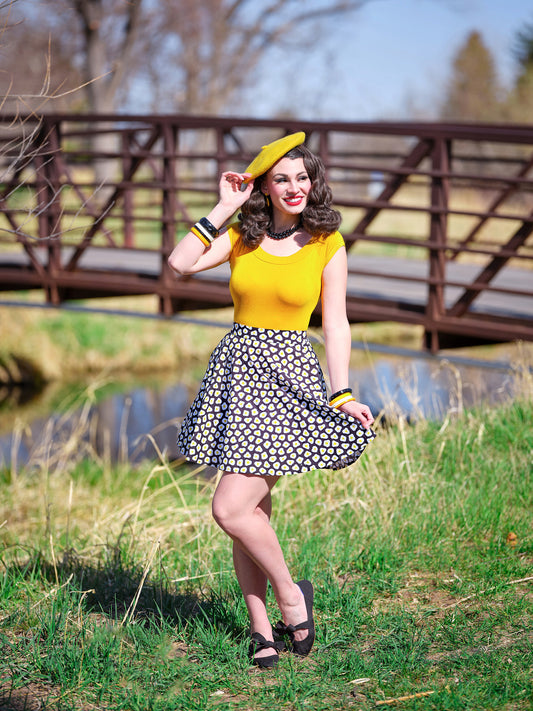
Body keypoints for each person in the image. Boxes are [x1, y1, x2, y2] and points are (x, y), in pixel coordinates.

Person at [168, 131, 375, 668]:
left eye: (303, 177)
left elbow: (336, 322)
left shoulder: (327, 243)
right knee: (252, 512)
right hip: (236, 379)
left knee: (229, 507)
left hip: (286, 385)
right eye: (281, 178)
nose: (295, 187)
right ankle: (262, 630)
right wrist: (224, 205)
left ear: (314, 182)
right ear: (264, 185)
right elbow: (181, 261)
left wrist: (342, 391)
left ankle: (289, 596)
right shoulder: (242, 237)